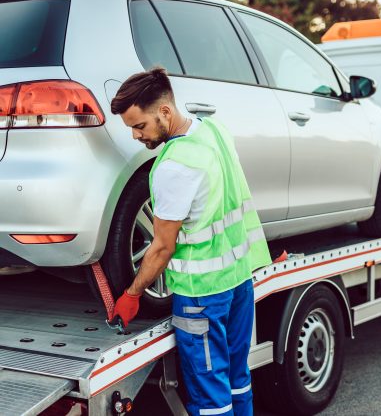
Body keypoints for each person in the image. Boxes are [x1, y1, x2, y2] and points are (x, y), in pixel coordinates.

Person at [109, 67, 272, 416]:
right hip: (239, 281)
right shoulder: (213, 130)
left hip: (202, 296)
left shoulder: (174, 166)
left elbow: (162, 247)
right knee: (237, 378)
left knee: (210, 396)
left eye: (140, 126)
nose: (137, 136)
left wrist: (133, 294)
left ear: (164, 112)